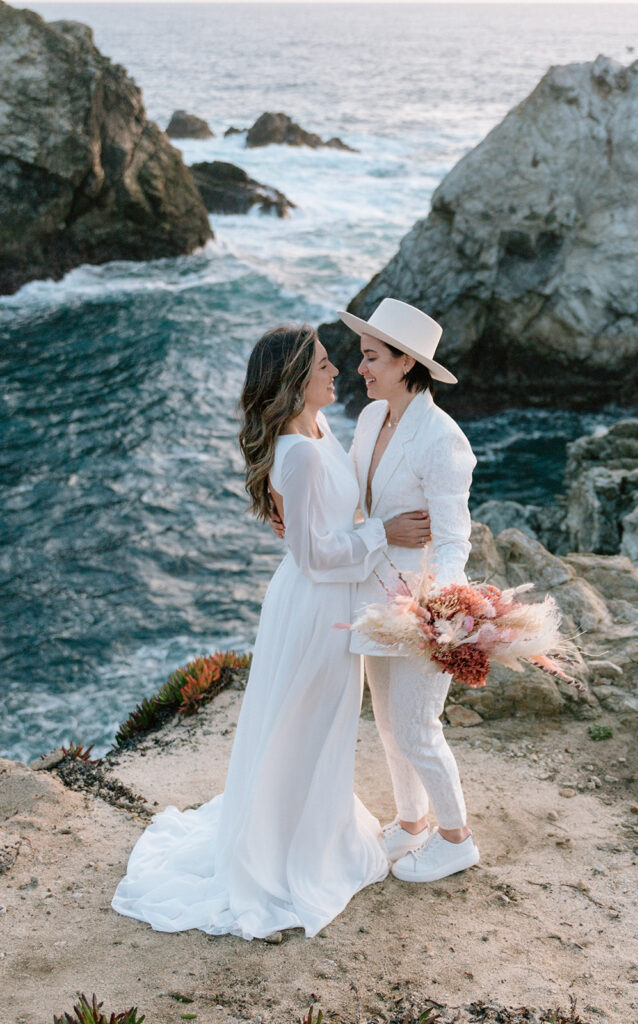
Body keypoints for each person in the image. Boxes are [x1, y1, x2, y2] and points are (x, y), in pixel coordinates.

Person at [111, 324, 430, 939]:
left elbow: (322, 524)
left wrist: (366, 527)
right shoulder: (302, 451)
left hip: (320, 600)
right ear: (293, 381)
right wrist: (383, 534)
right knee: (307, 725)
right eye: (321, 364)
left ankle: (306, 832)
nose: (335, 370)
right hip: (315, 607)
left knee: (314, 726)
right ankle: (293, 853)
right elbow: (313, 556)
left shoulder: (318, 429)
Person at [339, 297, 480, 883]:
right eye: (362, 357)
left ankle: (457, 840)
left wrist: (437, 610)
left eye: (371, 357)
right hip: (370, 598)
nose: (361, 369)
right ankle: (412, 822)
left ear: (405, 363)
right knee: (391, 723)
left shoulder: (442, 439)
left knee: (420, 728)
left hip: (421, 608)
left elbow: (454, 541)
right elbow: (356, 500)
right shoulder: (371, 418)